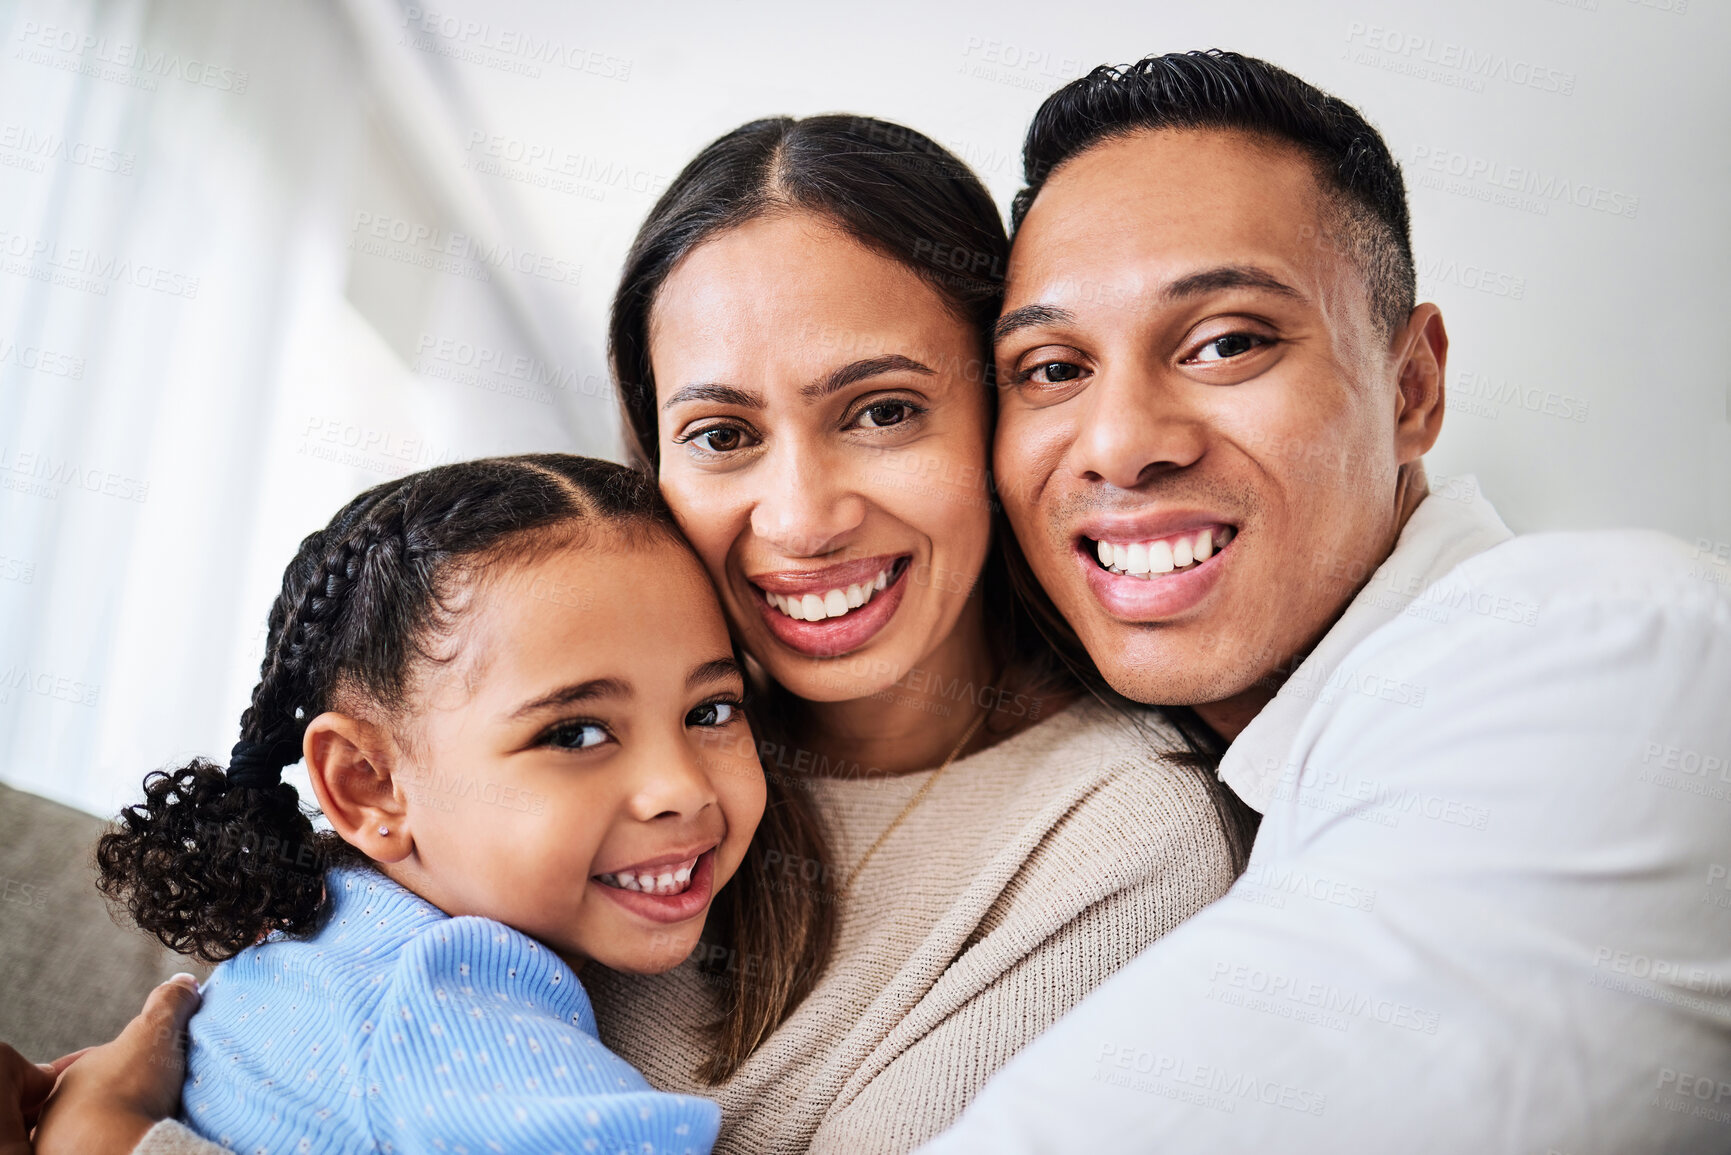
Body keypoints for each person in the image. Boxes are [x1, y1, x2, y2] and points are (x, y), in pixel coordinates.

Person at [24, 117, 1254, 1154]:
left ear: (1004, 410)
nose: (804, 518)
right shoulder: (489, 742)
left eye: (882, 411)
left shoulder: (1122, 839)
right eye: (723, 434)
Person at [918, 50, 1731, 1152]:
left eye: (1225, 343)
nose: (1119, 444)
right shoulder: (1213, 791)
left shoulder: (1610, 644)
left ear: (1412, 387)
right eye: (1053, 369)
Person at [73, 454, 831, 1152]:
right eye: (575, 732)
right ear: (368, 785)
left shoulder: (331, 926)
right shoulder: (444, 996)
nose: (681, 788)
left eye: (709, 711)